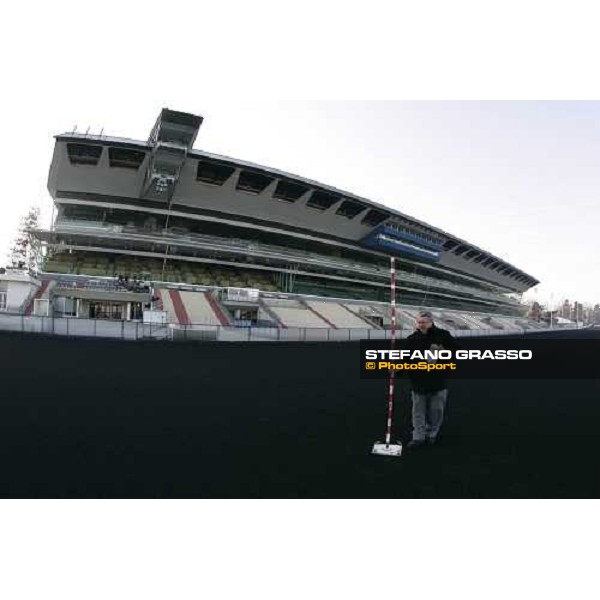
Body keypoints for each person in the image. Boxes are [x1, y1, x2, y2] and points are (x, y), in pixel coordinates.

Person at [405, 311, 458, 448]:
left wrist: (442, 350)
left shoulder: (443, 335)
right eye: (419, 322)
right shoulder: (412, 338)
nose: (421, 325)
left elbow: (456, 351)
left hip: (438, 380)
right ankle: (418, 437)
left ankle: (432, 434)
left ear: (431, 321)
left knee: (436, 411)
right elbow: (405, 358)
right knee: (418, 412)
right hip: (418, 380)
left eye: (424, 322)